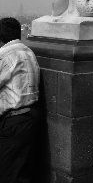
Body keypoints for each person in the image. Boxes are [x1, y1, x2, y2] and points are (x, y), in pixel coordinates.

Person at [0, 17, 40, 183]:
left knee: (10, 173)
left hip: (13, 122)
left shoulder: (5, 55)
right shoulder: (29, 52)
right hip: (31, 117)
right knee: (22, 171)